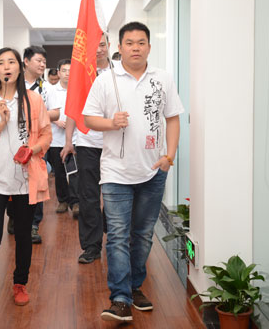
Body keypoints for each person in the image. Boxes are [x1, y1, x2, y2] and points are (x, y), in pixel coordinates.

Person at [83, 21, 184, 322]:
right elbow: (88, 118)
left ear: (149, 47)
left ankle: (135, 286)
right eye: (129, 43)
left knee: (142, 235)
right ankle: (120, 298)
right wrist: (111, 123)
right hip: (115, 171)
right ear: (120, 47)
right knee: (117, 235)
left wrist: (169, 156)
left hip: (153, 171)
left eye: (141, 43)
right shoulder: (106, 80)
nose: (135, 48)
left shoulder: (162, 79)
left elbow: (173, 118)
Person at [0, 47, 52, 324]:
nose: (6, 67)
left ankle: (20, 283)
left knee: (23, 236)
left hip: (25, 180)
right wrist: (0, 124)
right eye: (1, 63)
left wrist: (33, 149)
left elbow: (46, 134)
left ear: (20, 67)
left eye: (11, 62)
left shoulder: (33, 100)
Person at [61, 34, 112, 264]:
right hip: (88, 142)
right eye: (94, 45)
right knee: (88, 196)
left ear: (109, 46)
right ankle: (91, 246)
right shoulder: (81, 74)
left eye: (102, 45)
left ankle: (115, 238)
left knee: (114, 194)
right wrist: (69, 141)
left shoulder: (119, 72)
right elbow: (73, 110)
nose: (98, 49)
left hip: (114, 143)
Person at [7, 45, 60, 243]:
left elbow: (56, 113)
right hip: (12, 141)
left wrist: (36, 114)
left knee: (37, 183)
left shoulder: (47, 88)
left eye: (44, 62)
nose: (42, 64)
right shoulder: (12, 84)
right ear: (26, 62)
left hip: (37, 144)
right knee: (12, 179)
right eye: (39, 60)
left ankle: (33, 225)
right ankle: (13, 216)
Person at [48, 59, 79, 216]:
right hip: (56, 139)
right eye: (64, 70)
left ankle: (76, 202)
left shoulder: (78, 90)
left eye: (70, 71)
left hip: (75, 138)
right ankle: (63, 201)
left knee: (74, 172)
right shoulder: (50, 90)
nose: (67, 74)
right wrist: (56, 121)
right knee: (59, 172)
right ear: (59, 72)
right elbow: (44, 112)